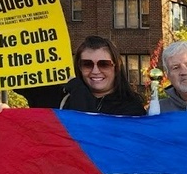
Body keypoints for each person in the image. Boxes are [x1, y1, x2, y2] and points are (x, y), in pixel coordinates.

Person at [9, 36, 146, 115]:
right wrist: (7, 116)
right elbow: (14, 75)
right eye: (87, 64)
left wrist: (79, 90)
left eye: (104, 64)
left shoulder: (131, 108)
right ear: (78, 67)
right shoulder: (57, 95)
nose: (95, 71)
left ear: (116, 67)